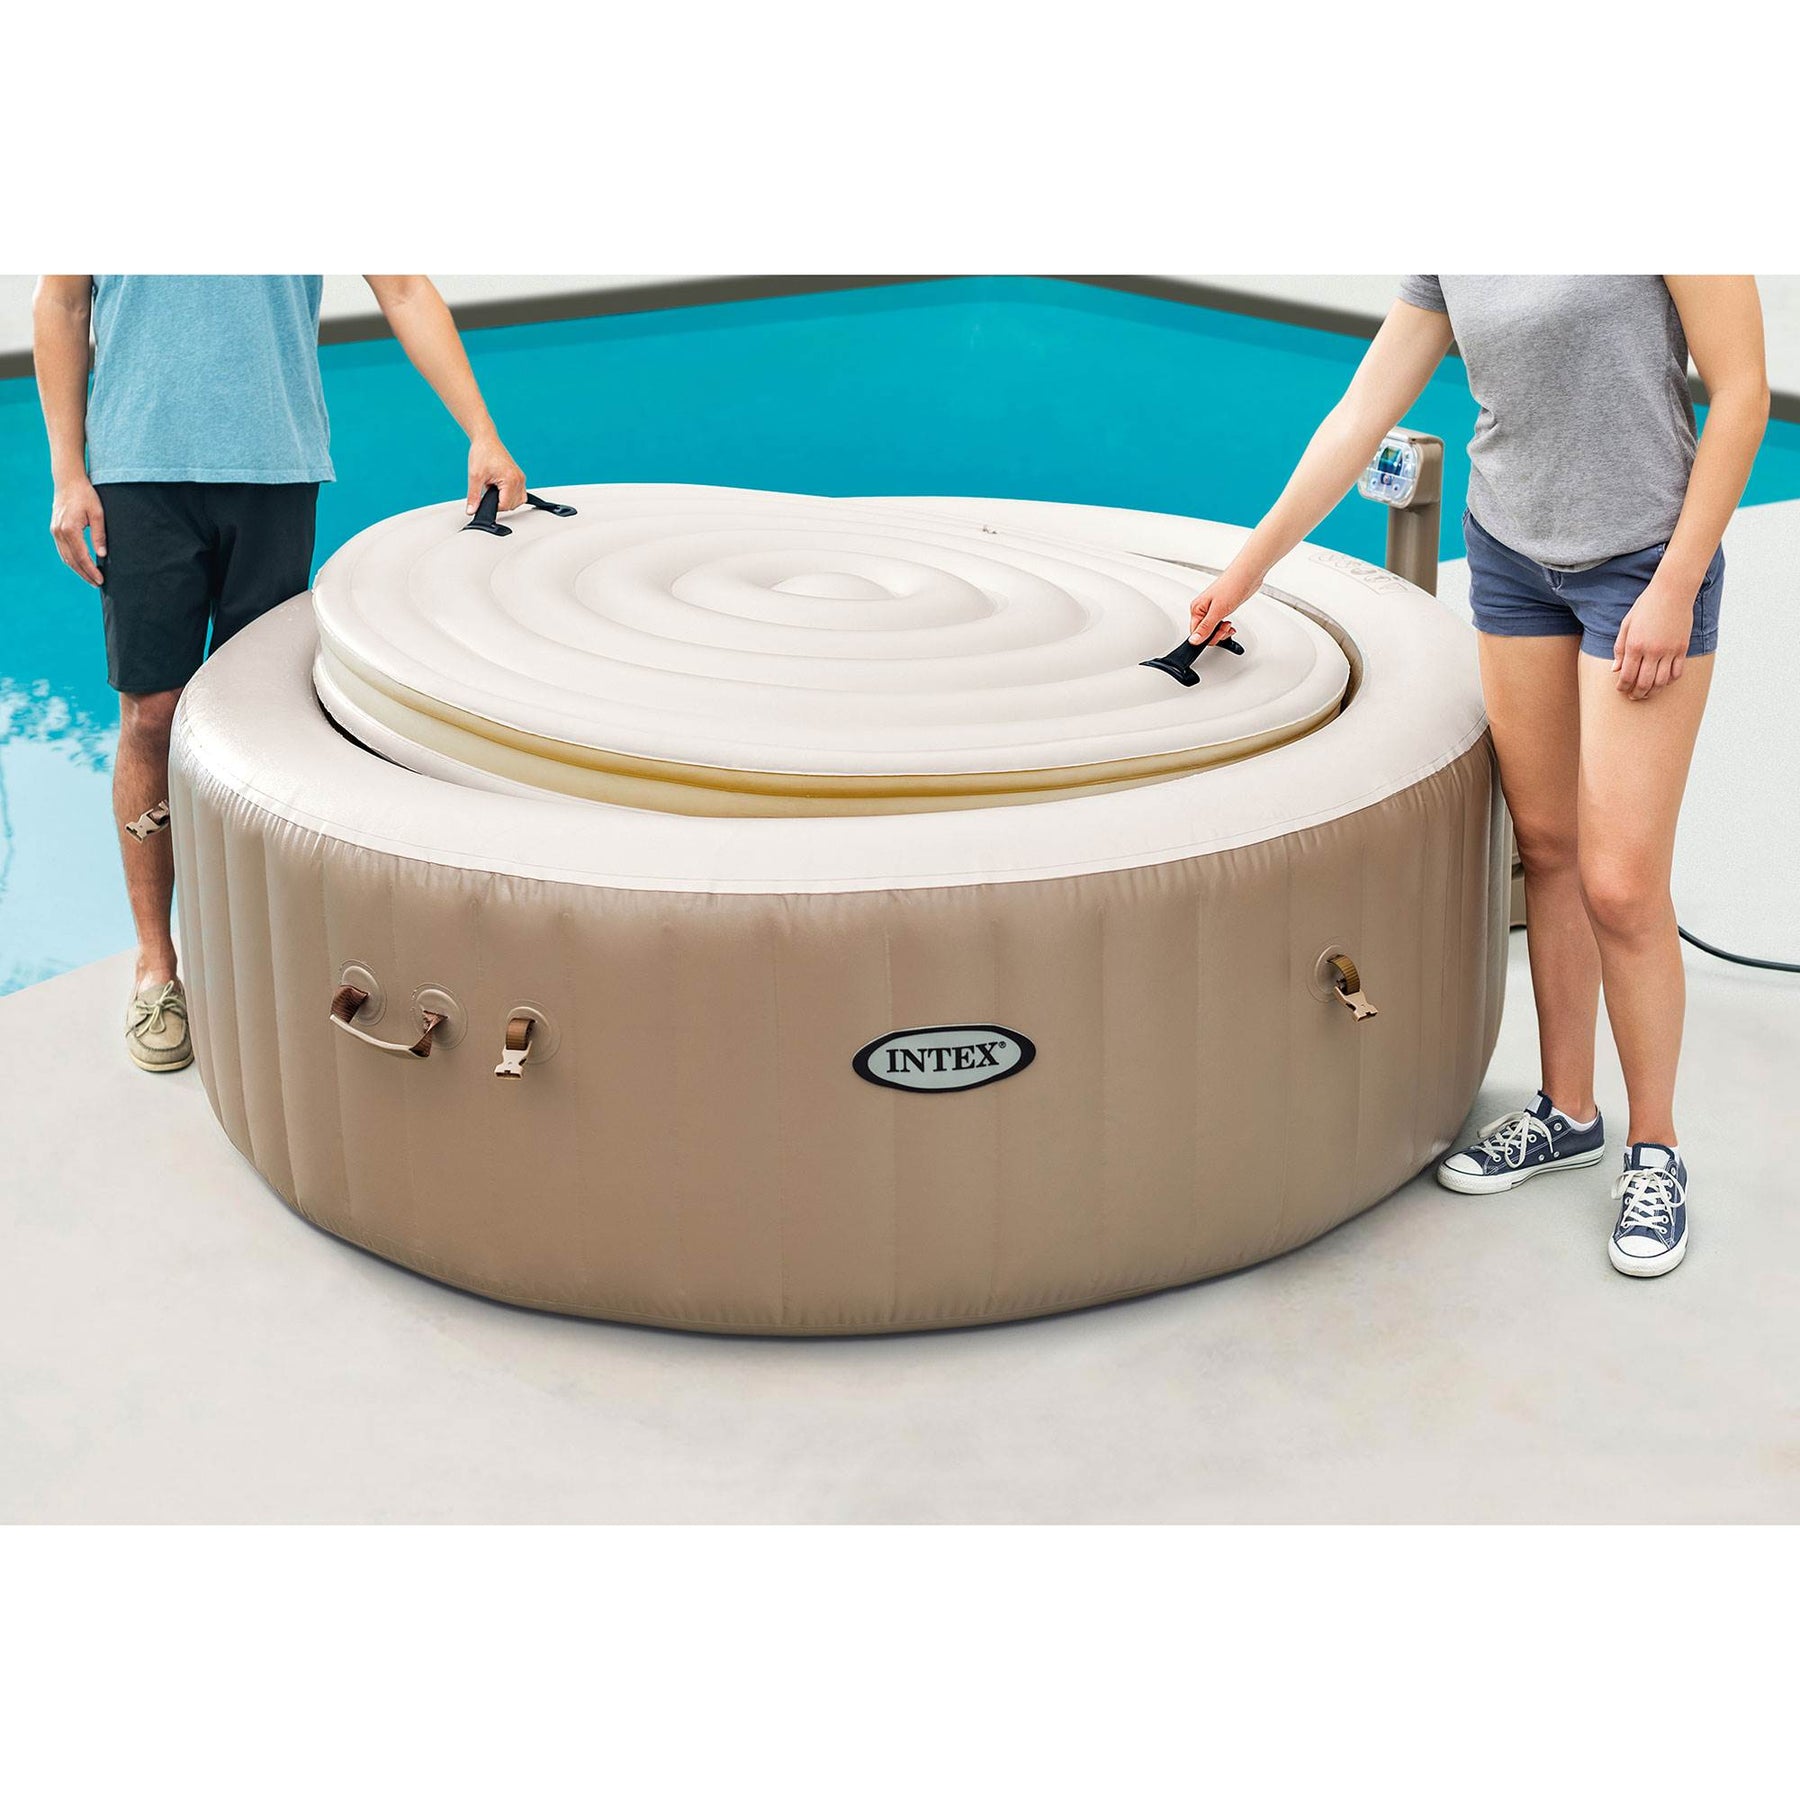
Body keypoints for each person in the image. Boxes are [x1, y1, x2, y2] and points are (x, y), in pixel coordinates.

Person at [1185, 276, 1767, 1279]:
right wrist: (1249, 570)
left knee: (1622, 885)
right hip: (1510, 556)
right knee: (1546, 848)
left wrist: (1677, 582)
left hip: (1642, 560)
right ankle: (1567, 1112)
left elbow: (1745, 390)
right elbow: (1362, 411)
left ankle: (1656, 1150)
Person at [33, 274, 528, 1075]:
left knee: (259, 721)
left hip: (274, 470)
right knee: (152, 714)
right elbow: (61, 302)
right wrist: (67, 471)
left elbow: (403, 287)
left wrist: (482, 431)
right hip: (137, 473)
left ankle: (254, 957)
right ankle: (157, 967)